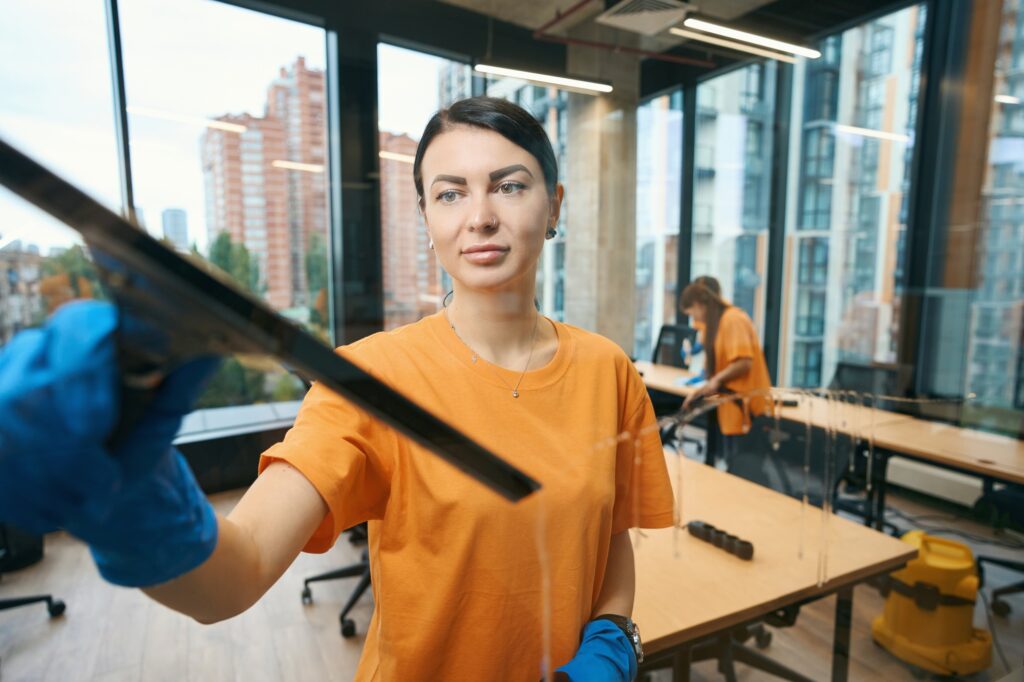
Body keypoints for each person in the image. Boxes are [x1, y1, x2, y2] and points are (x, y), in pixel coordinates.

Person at [0, 96, 675, 681]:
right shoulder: (371, 380)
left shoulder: (607, 369)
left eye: (510, 185)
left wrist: (613, 637)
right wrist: (130, 496)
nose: (480, 216)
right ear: (426, 219)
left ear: (554, 205)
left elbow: (611, 533)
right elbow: (234, 576)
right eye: (450, 192)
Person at [679, 279, 772, 442]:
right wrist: (698, 394)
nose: (694, 320)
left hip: (747, 409)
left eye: (692, 313)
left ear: (699, 304)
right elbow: (717, 374)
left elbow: (744, 362)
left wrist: (717, 380)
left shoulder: (733, 320)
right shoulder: (716, 325)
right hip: (731, 404)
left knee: (740, 463)